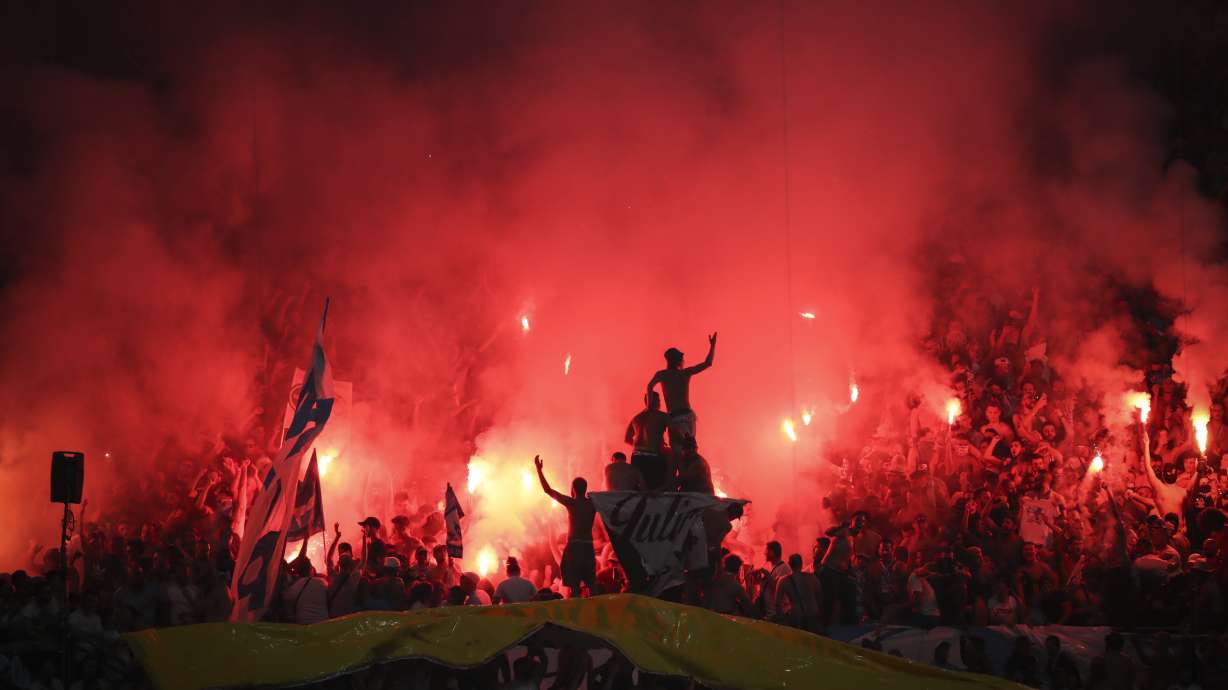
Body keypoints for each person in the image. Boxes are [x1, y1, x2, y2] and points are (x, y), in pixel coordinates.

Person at [536, 455, 597, 597]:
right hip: (588, 546)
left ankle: (575, 613)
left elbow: (547, 490)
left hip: (574, 547)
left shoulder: (572, 503)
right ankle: (598, 612)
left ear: (573, 489)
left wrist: (539, 470)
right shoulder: (593, 504)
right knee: (591, 583)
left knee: (574, 585)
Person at [646, 332, 717, 447]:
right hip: (687, 416)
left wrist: (649, 408)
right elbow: (708, 363)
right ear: (679, 360)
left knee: (678, 451)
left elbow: (649, 387)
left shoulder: (662, 374)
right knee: (689, 449)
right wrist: (713, 346)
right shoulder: (685, 373)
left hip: (675, 417)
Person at [626, 392, 672, 489]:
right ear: (655, 401)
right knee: (656, 488)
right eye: (659, 400)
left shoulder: (636, 418)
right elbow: (675, 433)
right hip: (653, 456)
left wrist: (639, 446)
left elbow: (627, 438)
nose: (660, 402)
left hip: (637, 456)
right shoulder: (662, 416)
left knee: (640, 487)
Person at [774, 554, 821, 631]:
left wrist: (783, 622)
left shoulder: (784, 581)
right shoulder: (813, 578)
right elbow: (819, 597)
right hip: (813, 616)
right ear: (801, 563)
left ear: (789, 564)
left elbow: (777, 604)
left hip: (797, 617)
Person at [282, 557, 329, 624]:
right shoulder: (322, 583)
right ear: (310, 569)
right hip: (323, 624)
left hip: (304, 626)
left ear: (297, 571)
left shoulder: (294, 588)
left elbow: (285, 600)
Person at [758, 541, 791, 618]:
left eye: (766, 551)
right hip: (770, 613)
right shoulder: (770, 567)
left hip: (778, 614)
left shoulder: (784, 568)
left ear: (772, 552)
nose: (764, 553)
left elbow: (777, 589)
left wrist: (766, 574)